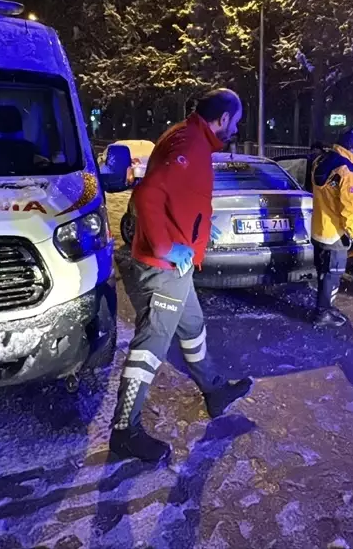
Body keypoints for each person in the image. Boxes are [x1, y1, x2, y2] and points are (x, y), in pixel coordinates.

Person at [110, 88, 254, 462]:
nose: (236, 129)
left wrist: (202, 228)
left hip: (178, 267)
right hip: (166, 269)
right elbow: (147, 196)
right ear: (223, 118)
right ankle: (125, 431)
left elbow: (177, 197)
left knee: (192, 327)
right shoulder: (190, 145)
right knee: (150, 347)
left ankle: (214, 389)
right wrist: (166, 247)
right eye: (235, 122)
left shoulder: (187, 137)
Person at [310, 127, 353, 327]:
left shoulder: (320, 161)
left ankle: (325, 306)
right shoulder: (348, 171)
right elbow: (349, 211)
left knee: (323, 272)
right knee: (331, 274)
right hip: (335, 233)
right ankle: (322, 312)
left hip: (318, 228)